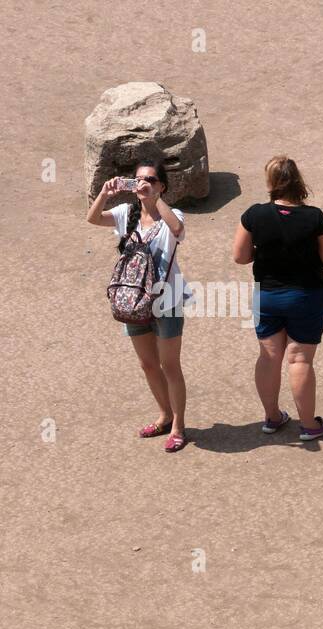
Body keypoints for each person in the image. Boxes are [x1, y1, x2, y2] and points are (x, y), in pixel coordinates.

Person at [233, 156, 323, 441]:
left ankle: (272, 417)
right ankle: (309, 426)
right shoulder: (314, 217)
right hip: (307, 297)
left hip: (268, 296)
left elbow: (240, 256)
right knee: (299, 361)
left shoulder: (254, 215)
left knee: (269, 357)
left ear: (270, 183)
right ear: (298, 180)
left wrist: (266, 252)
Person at [87, 155, 191, 452]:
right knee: (147, 364)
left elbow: (177, 231)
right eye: (139, 179)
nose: (143, 183)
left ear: (163, 186)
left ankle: (178, 426)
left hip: (167, 300)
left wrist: (154, 199)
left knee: (169, 364)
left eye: (151, 179)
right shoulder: (125, 213)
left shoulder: (174, 215)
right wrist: (104, 195)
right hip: (133, 300)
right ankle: (164, 415)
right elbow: (92, 219)